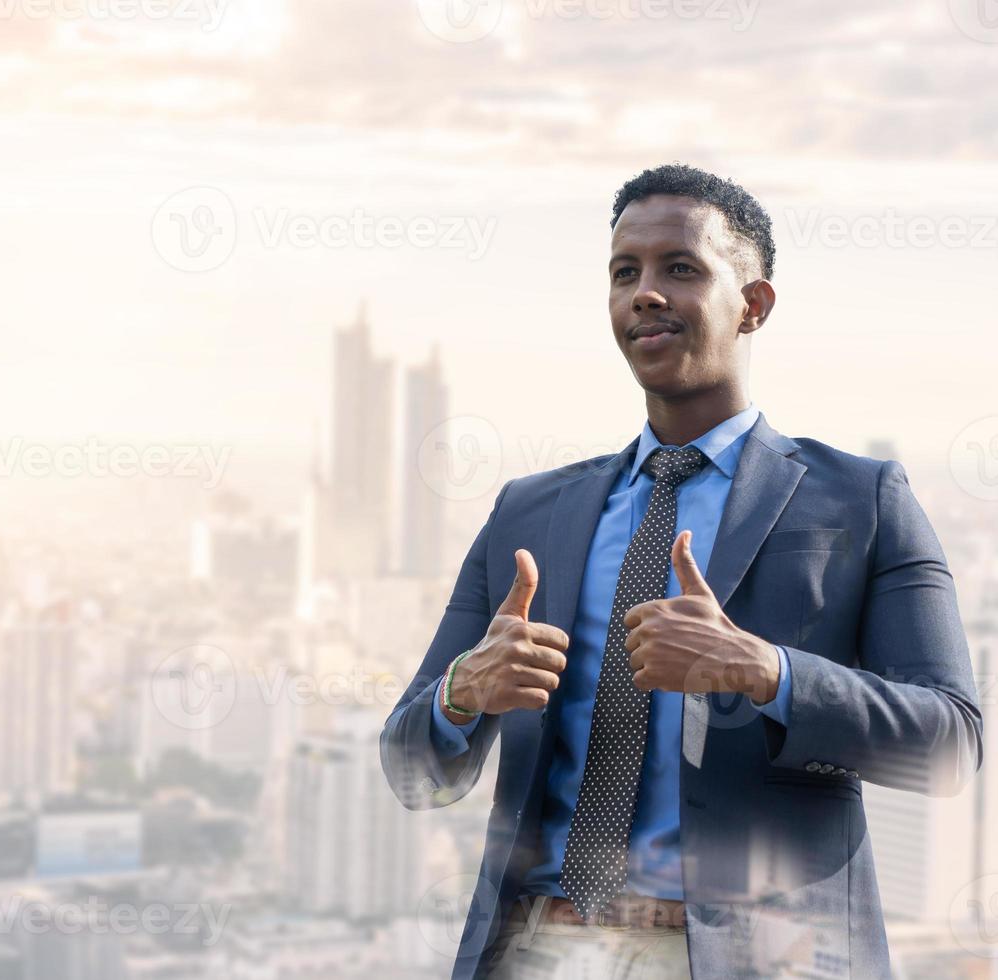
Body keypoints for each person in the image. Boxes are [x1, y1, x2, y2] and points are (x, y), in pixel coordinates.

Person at [379, 163, 982, 979]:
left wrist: (767, 672)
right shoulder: (527, 512)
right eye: (625, 273)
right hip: (537, 949)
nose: (645, 293)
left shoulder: (864, 500)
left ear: (754, 306)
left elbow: (951, 744)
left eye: (681, 269)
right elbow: (410, 767)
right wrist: (462, 693)